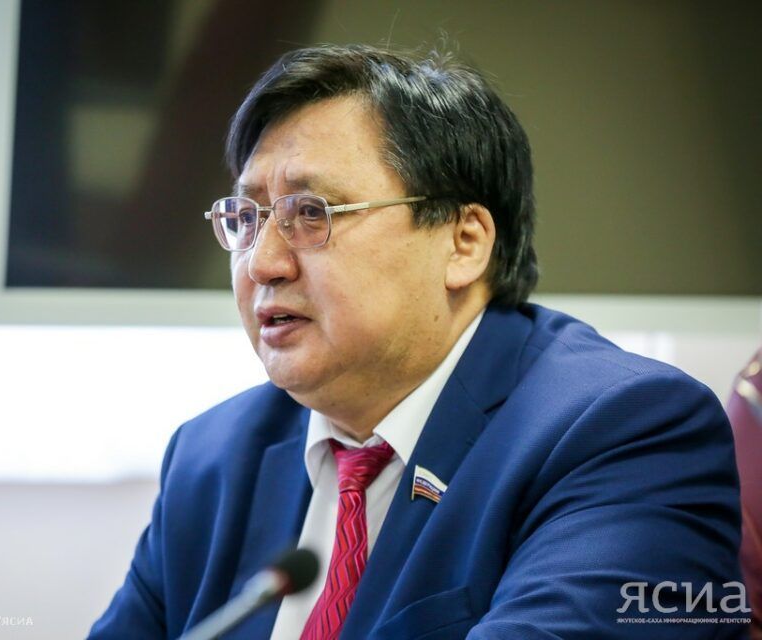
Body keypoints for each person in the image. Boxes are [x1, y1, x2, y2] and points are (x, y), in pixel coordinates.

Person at [88, 44, 744, 639]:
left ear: (464, 243)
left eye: (311, 213)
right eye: (246, 217)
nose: (262, 262)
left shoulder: (626, 433)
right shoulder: (212, 458)